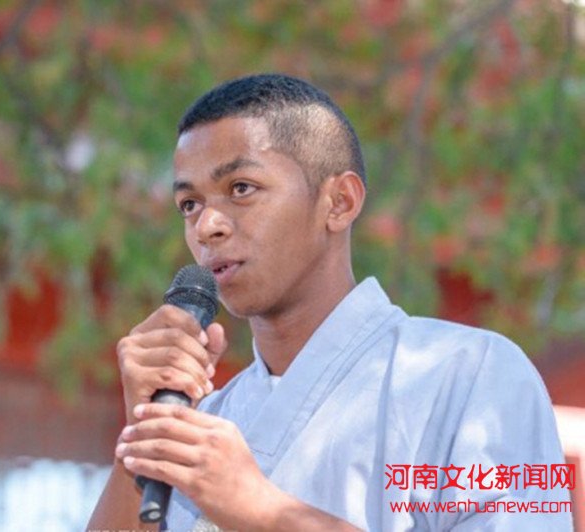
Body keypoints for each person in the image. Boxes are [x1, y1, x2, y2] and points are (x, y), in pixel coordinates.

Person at [87, 74, 572, 531]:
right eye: (189, 204)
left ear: (339, 202)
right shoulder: (207, 420)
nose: (206, 225)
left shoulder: (470, 373)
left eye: (241, 189)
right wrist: (143, 429)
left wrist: (266, 513)